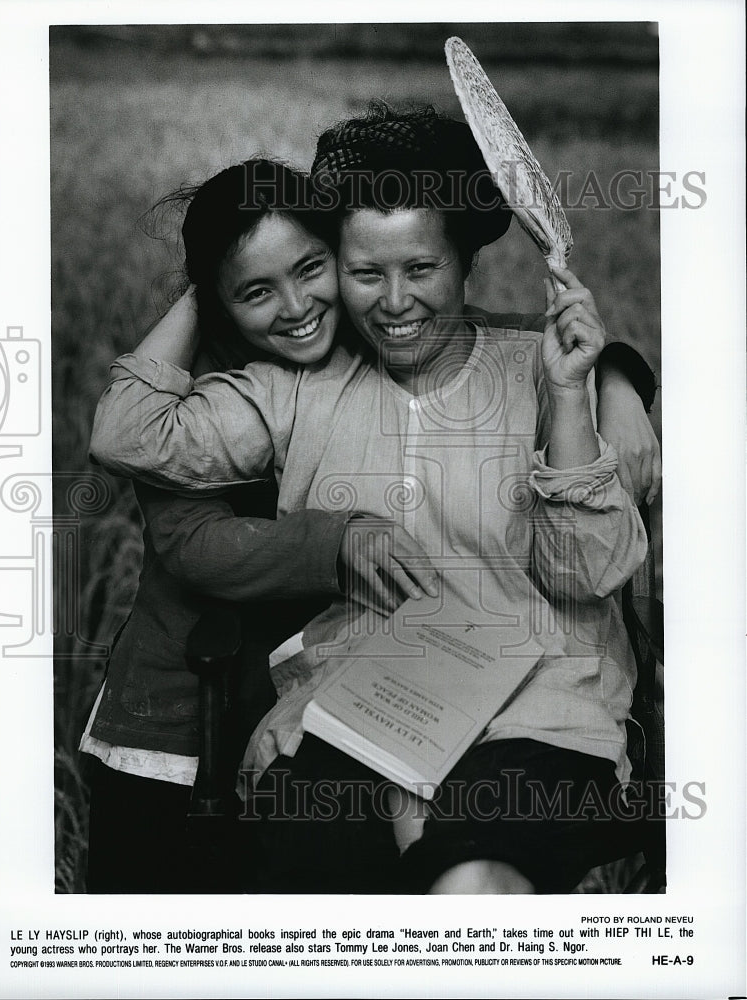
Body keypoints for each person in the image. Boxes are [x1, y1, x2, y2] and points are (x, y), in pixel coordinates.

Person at [89, 109, 660, 893]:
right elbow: (128, 433)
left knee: (476, 881)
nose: (394, 303)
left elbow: (584, 574)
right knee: (312, 888)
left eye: (420, 269)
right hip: (359, 713)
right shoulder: (298, 389)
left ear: (466, 266)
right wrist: (210, 271)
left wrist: (576, 393)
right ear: (335, 264)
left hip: (538, 715)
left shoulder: (536, 370)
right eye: (365, 273)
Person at [82, 159, 440, 893]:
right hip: (182, 725)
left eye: (311, 268)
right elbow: (193, 545)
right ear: (214, 304)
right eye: (255, 291)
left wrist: (619, 376)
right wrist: (335, 537)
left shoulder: (372, 343)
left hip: (320, 710)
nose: (296, 305)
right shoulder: (205, 389)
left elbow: (498, 339)